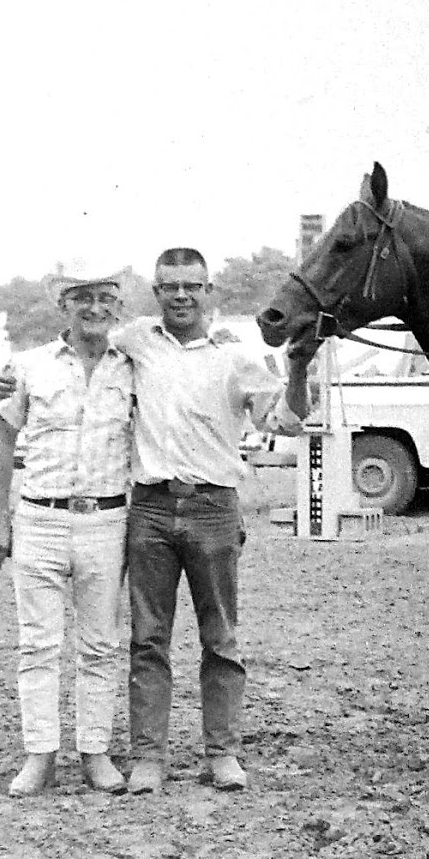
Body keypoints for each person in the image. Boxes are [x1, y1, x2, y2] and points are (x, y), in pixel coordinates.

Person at [112, 249, 306, 795]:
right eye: (170, 286)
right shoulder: (135, 342)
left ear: (210, 291)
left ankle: (223, 753)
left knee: (220, 637)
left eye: (191, 286)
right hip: (149, 506)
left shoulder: (237, 357)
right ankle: (148, 757)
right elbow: (85, 346)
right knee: (148, 639)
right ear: (155, 292)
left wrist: (299, 368)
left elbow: (285, 422)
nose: (180, 296)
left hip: (214, 507)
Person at [0, 270, 134, 797]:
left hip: (105, 520)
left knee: (100, 645)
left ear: (118, 308)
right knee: (38, 644)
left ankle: (95, 753)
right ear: (63, 307)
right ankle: (39, 756)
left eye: (105, 300)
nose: (94, 309)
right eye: (82, 299)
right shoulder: (27, 367)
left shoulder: (134, 367)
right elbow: (0, 440)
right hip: (40, 518)